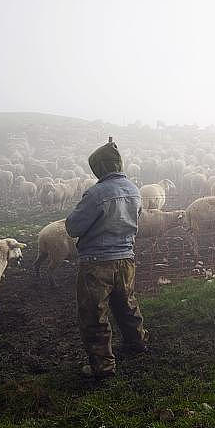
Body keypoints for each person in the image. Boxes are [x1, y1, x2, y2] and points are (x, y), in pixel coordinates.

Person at [65, 140, 148, 378]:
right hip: (126, 259)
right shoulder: (134, 189)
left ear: (100, 167)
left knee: (94, 314)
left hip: (97, 263)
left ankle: (103, 366)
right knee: (127, 304)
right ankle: (138, 343)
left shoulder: (96, 193)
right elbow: (137, 218)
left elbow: (73, 227)